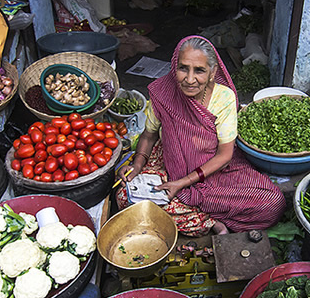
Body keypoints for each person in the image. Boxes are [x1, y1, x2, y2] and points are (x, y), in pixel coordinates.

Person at [116, 36, 285, 236]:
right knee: (124, 195)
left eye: (199, 70)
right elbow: (148, 135)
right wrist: (137, 165)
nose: (189, 79)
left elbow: (224, 155)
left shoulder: (224, 98)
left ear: (213, 72)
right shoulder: (163, 93)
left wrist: (183, 183)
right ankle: (209, 222)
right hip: (170, 164)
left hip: (216, 170)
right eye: (183, 68)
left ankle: (196, 216)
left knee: (273, 204)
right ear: (174, 67)